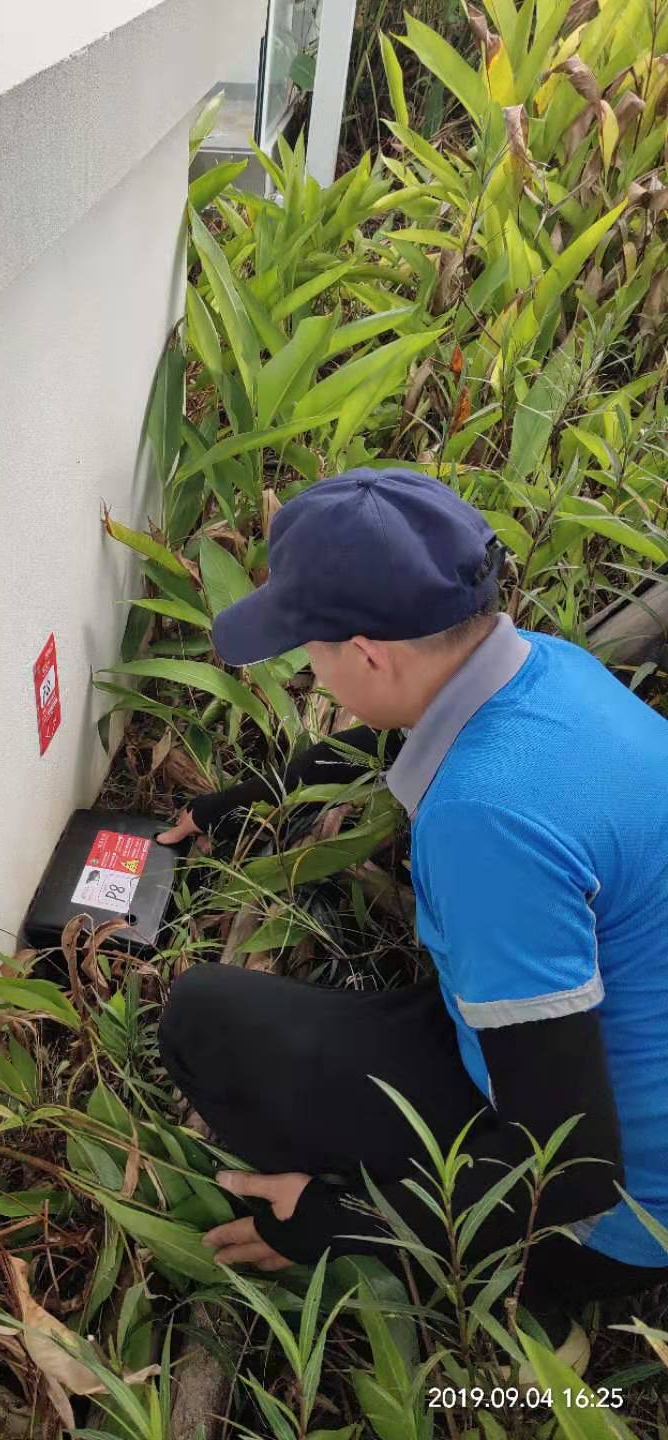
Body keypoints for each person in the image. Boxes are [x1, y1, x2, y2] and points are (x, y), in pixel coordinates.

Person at [153, 468, 668, 1371]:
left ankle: (534, 1293)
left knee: (206, 1021)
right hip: (616, 1059)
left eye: (305, 646)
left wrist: (341, 1222)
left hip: (614, 1212)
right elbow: (390, 733)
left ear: (369, 653)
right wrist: (254, 796)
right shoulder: (552, 671)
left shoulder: (487, 816)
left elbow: (578, 1165)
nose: (305, 665)